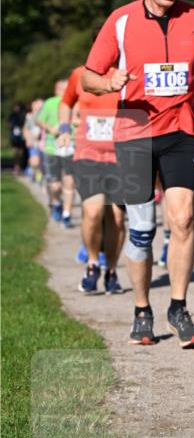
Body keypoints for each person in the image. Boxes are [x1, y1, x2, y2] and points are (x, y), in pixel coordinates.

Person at [82, 0, 194, 348]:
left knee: (184, 219)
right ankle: (142, 309)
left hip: (180, 129)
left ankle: (179, 306)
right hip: (135, 132)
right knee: (141, 229)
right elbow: (90, 75)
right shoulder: (121, 21)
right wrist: (109, 84)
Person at [59, 38, 126, 295]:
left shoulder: (126, 75)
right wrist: (65, 127)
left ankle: (111, 270)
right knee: (93, 211)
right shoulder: (80, 74)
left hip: (122, 156)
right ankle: (92, 264)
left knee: (117, 218)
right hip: (88, 153)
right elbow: (66, 102)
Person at [37, 81, 76, 227]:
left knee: (69, 182)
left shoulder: (75, 102)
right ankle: (56, 202)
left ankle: (67, 214)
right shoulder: (49, 103)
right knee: (55, 186)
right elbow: (39, 121)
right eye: (62, 89)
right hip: (51, 148)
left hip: (70, 147)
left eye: (67, 89)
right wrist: (50, 128)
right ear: (56, 90)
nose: (65, 92)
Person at [23, 99, 45, 183]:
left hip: (44, 142)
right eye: (37, 104)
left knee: (42, 160)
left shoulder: (44, 115)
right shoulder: (30, 116)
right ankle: (35, 171)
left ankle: (37, 172)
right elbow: (25, 129)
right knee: (34, 161)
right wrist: (28, 139)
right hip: (34, 142)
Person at [9, 102, 27, 175]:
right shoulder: (12, 115)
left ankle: (20, 166)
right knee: (15, 152)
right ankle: (16, 166)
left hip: (20, 136)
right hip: (14, 137)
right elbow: (9, 124)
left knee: (20, 152)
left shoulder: (22, 114)